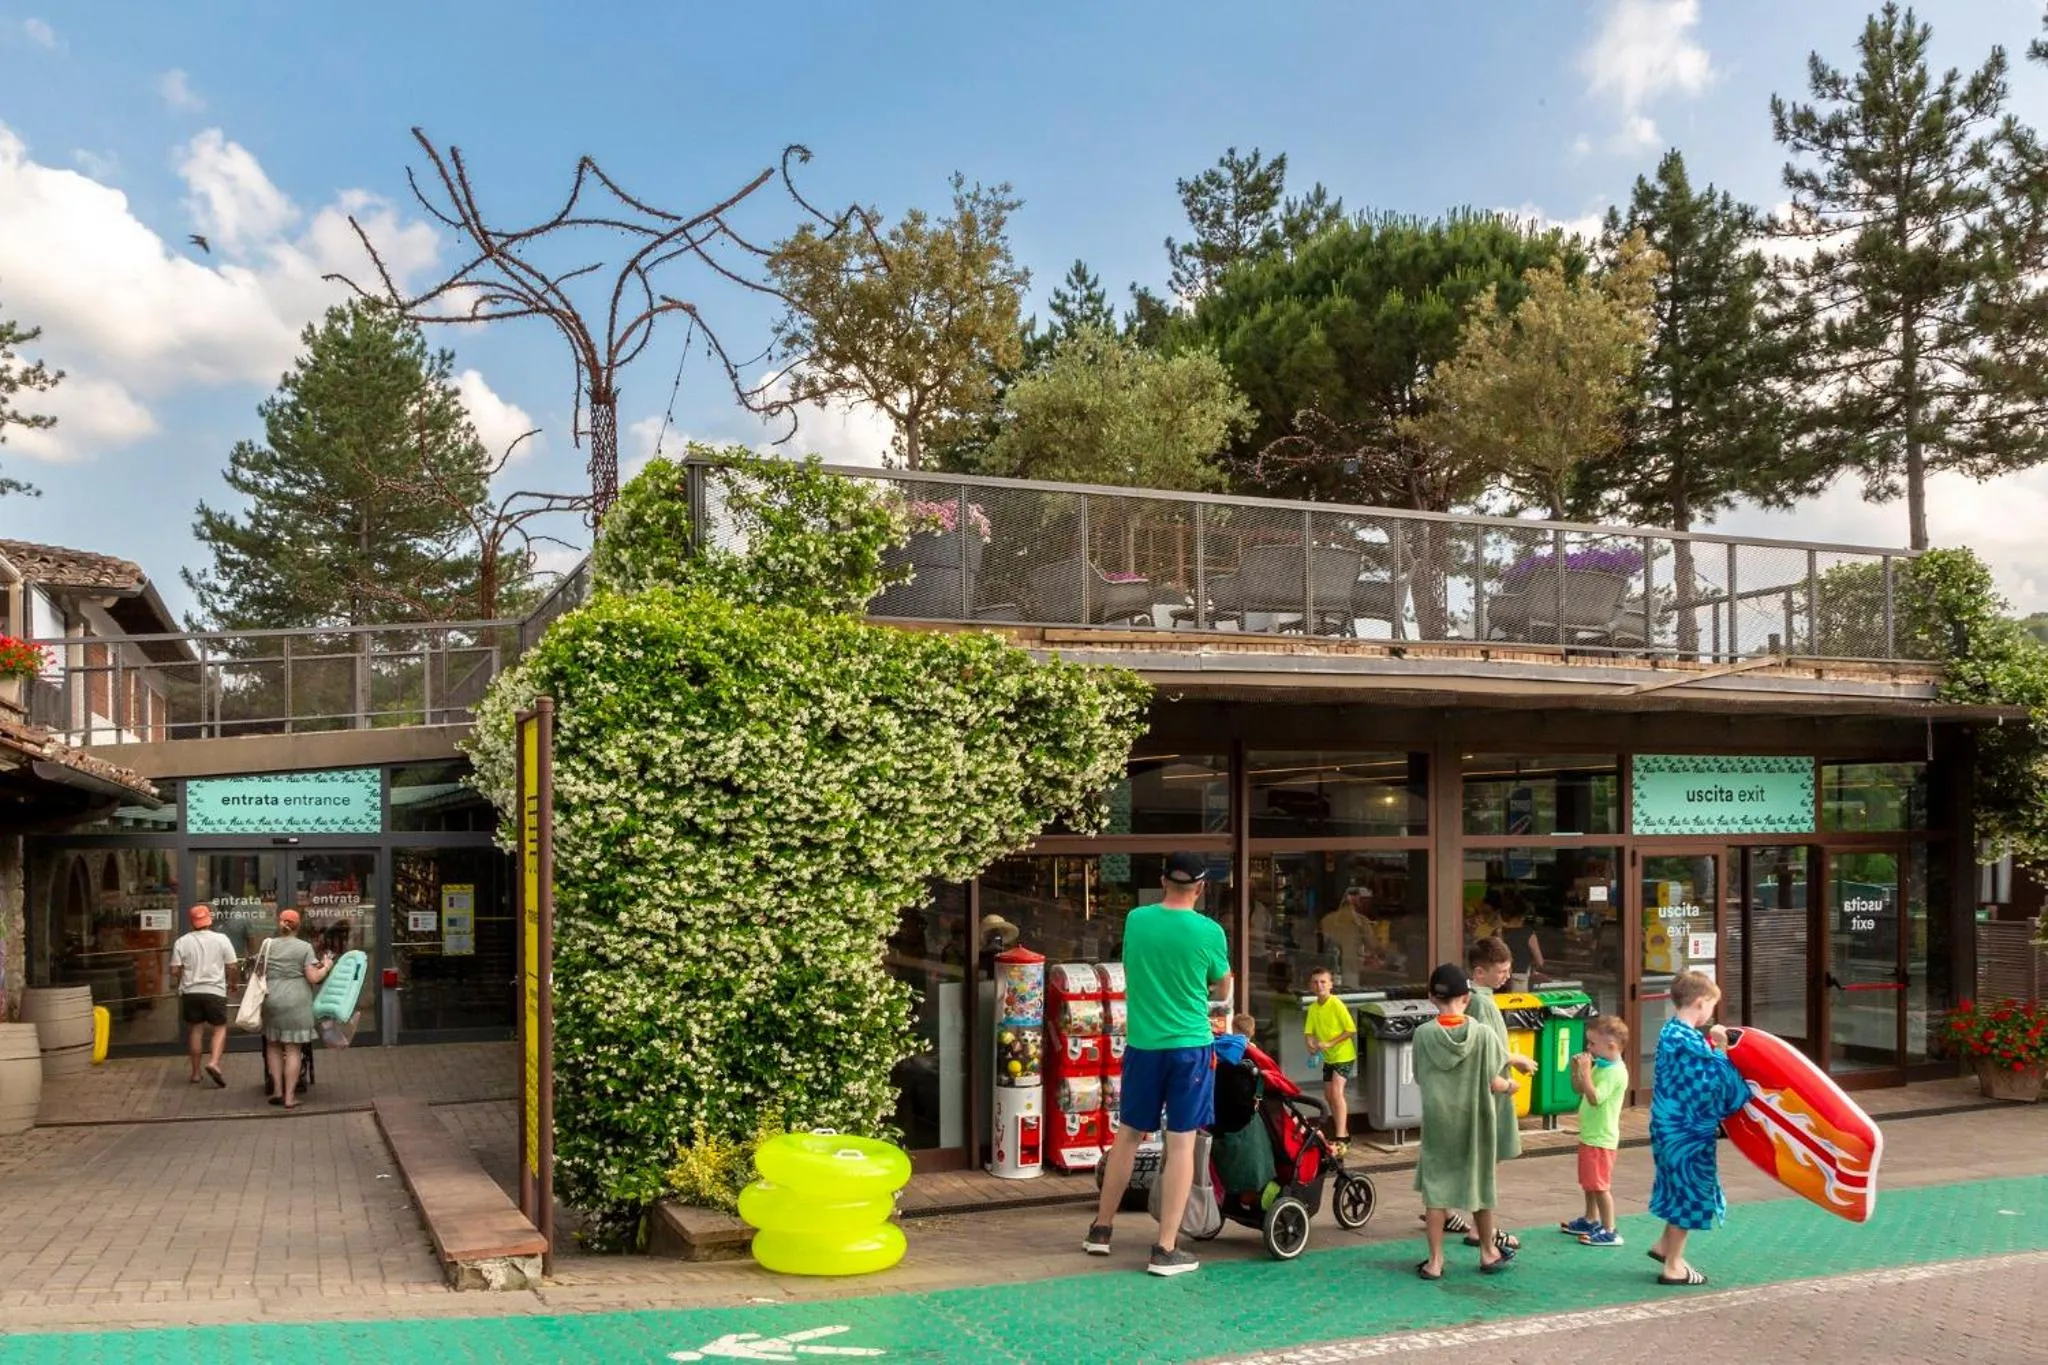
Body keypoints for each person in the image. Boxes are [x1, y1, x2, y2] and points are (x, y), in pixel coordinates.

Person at [1085, 851, 1233, 1278]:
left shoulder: (1137, 920)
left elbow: (1132, 965)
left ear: (1163, 880)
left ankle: (1101, 1229)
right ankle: (1165, 1248)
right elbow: (1221, 983)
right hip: (1190, 1047)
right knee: (1182, 1144)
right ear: (1201, 888)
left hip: (1143, 1044)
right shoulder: (1209, 932)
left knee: (1128, 1135)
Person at [1413, 963, 1517, 1280]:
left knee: (1436, 1192)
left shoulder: (1423, 1035)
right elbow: (1495, 1081)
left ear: (1432, 997)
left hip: (1438, 1124)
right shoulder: (1483, 1035)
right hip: (1476, 1123)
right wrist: (1512, 1086)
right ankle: (1488, 1252)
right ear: (1467, 997)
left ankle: (1435, 1261)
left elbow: (1419, 1076)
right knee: (1480, 1187)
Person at [1648, 970, 1750, 1287]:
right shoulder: (1688, 1041)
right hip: (1686, 1131)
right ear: (1700, 1001)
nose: (1711, 1014)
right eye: (1711, 1007)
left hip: (1667, 1124)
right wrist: (1721, 1047)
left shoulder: (1671, 1033)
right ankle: (1674, 1265)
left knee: (1676, 1184)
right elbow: (1717, 1083)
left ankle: (1664, 1246)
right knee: (1690, 1192)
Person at [1439, 936, 1535, 1252]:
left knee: (1474, 1157)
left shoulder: (1478, 999)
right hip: (1488, 1091)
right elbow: (1482, 1049)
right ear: (1480, 973)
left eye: (1508, 970)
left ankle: (1450, 1211)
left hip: (1482, 1088)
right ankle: (1483, 1231)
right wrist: (1514, 1062)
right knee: (1484, 1161)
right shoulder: (1480, 1001)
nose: (1506, 976)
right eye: (1501, 970)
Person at [1560, 1014, 1631, 1246]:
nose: (1588, 1048)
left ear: (1610, 1046)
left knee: (1600, 1186)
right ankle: (1591, 1219)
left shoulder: (1615, 1071)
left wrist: (1587, 1072)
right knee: (1589, 1182)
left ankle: (1610, 1229)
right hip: (1590, 1135)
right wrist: (1576, 1071)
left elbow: (1595, 1098)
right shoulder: (1601, 1066)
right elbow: (1579, 1089)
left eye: (1592, 1044)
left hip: (1602, 1138)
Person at [259, 909, 334, 1112]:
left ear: (279, 923)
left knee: (273, 1045)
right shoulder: (304, 947)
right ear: (297, 926)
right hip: (296, 1000)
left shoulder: (268, 945)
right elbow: (313, 978)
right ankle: (290, 1097)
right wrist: (326, 966)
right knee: (293, 1049)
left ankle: (276, 1091)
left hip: (271, 998)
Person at [169, 904, 238, 1088]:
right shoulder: (222, 939)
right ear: (210, 920)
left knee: (196, 1030)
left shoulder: (182, 942)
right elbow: (232, 966)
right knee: (220, 1028)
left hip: (191, 992)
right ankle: (214, 1062)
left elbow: (174, 970)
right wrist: (232, 983)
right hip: (214, 991)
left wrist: (184, 977)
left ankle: (196, 1073)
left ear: (193, 922)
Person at [1302, 966, 1356, 1157]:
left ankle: (1341, 1138)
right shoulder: (1314, 1008)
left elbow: (1350, 1030)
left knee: (1336, 1091)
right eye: (1315, 982)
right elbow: (1308, 1032)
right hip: (1328, 1057)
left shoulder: (1337, 1005)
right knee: (1328, 1095)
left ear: (1331, 984)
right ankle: (1345, 1133)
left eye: (1323, 982)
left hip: (1343, 1055)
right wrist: (1310, 1044)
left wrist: (1330, 1043)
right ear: (1311, 986)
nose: (1319, 986)